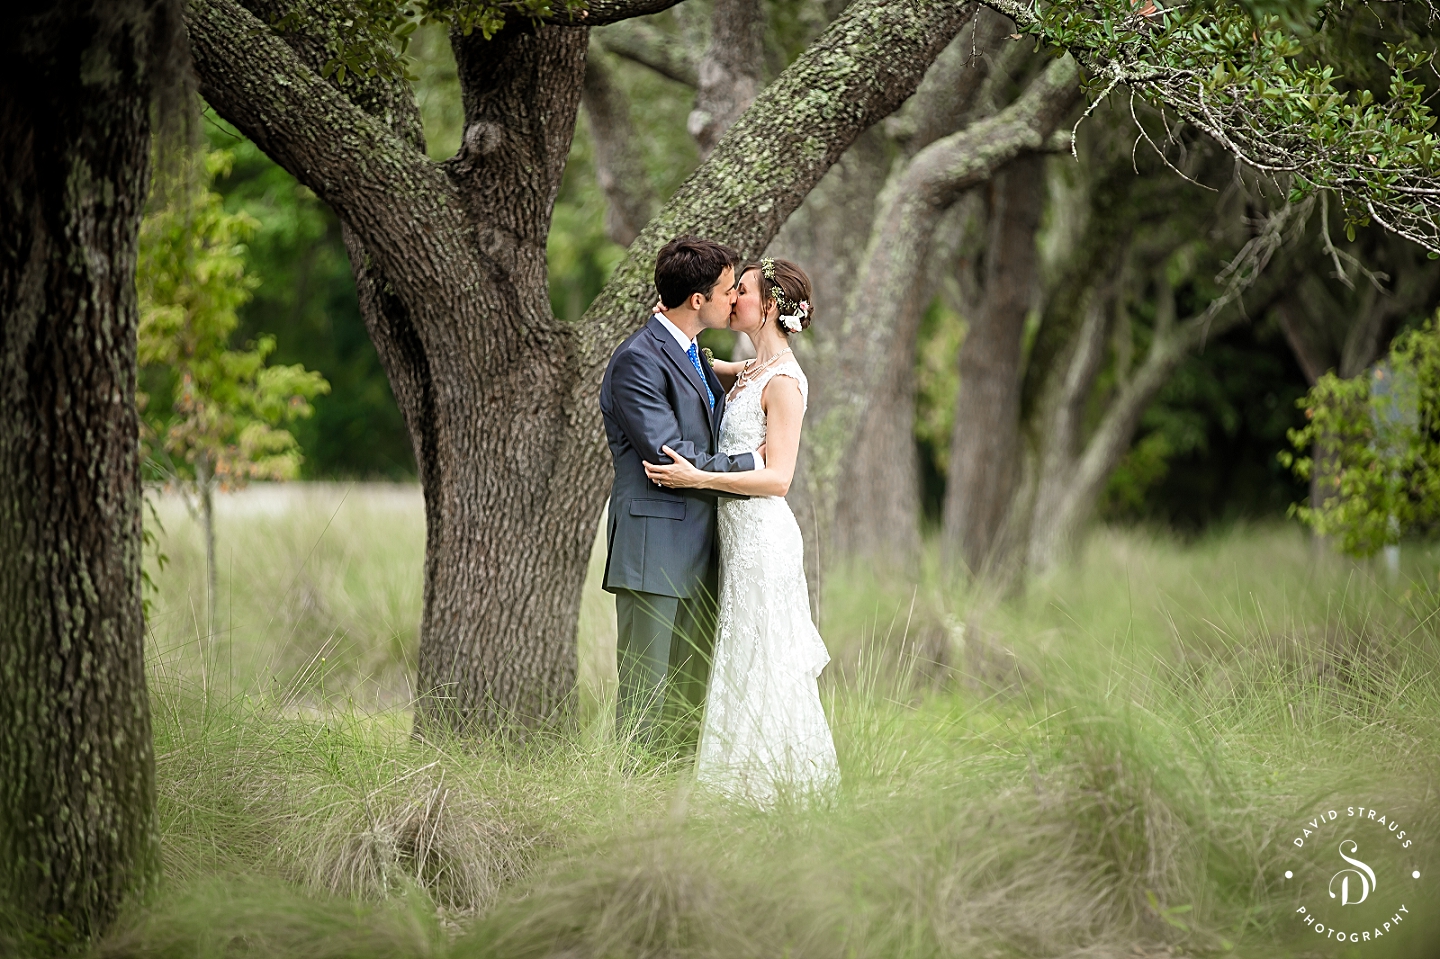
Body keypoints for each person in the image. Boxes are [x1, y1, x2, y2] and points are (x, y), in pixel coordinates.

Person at [645, 257, 839, 805]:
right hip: (735, 536)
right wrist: (678, 326)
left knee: (762, 658)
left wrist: (696, 476)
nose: (732, 298)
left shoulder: (785, 384)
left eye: (743, 291)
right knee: (738, 658)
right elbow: (710, 371)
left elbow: (778, 478)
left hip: (762, 539)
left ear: (770, 307)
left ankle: (773, 791)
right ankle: (737, 786)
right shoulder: (750, 369)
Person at [598, 236, 760, 752]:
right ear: (698, 300)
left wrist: (740, 374)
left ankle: (672, 821)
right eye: (729, 289)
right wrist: (752, 465)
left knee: (690, 701)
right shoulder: (636, 361)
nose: (735, 298)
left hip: (699, 549)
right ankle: (630, 814)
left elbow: (697, 379)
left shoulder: (689, 351)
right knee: (647, 701)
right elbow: (672, 455)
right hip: (654, 550)